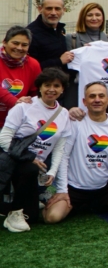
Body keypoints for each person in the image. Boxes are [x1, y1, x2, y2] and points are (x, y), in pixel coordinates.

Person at [43, 82, 108, 223]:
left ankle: (93, 204)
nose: (97, 100)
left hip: (104, 187)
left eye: (101, 96)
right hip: (74, 188)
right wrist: (62, 190)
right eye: (92, 96)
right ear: (84, 101)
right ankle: (67, 203)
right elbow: (64, 156)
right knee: (52, 218)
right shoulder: (75, 122)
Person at [1, 68, 70, 232]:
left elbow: (60, 147)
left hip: (39, 166)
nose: (51, 89)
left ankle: (20, 203)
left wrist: (52, 171)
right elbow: (3, 138)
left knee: (32, 217)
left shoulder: (64, 114)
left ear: (62, 89)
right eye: (47, 85)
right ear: (39, 87)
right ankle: (14, 213)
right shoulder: (24, 107)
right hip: (16, 158)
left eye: (56, 86)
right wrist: (29, 157)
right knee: (30, 169)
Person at [0, 26, 41, 128]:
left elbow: (36, 92)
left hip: (16, 124)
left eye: (24, 45)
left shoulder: (33, 64)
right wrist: (15, 101)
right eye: (15, 43)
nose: (19, 48)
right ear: (4, 42)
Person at [26, 0, 68, 75]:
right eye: (49, 8)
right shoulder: (30, 34)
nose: (53, 13)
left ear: (63, 10)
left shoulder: (61, 30)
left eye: (57, 9)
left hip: (61, 82)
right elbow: (30, 67)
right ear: (40, 9)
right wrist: (59, 61)